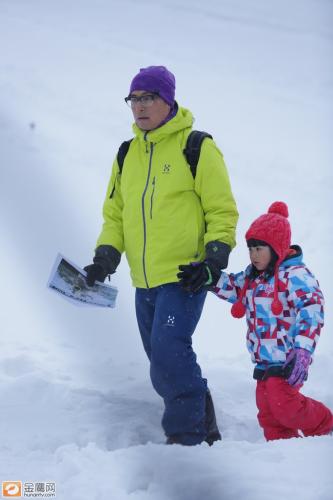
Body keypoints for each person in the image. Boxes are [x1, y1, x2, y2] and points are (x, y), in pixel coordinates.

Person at [84, 65, 239, 446]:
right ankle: (203, 417)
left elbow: (222, 210)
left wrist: (213, 261)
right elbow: (116, 215)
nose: (139, 106)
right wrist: (106, 256)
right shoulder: (126, 154)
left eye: (148, 97)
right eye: (133, 99)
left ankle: (187, 438)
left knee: (170, 353)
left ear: (167, 101)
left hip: (185, 275)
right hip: (144, 279)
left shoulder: (197, 146)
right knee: (160, 362)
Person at [178, 201, 333, 440]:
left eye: (260, 248)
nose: (253, 255)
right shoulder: (253, 277)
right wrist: (210, 277)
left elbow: (311, 309)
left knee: (286, 405)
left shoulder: (295, 276)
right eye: (250, 248)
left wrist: (303, 349)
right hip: (263, 361)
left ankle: (326, 425)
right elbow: (233, 288)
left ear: (277, 248)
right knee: (268, 412)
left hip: (288, 358)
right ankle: (286, 451)